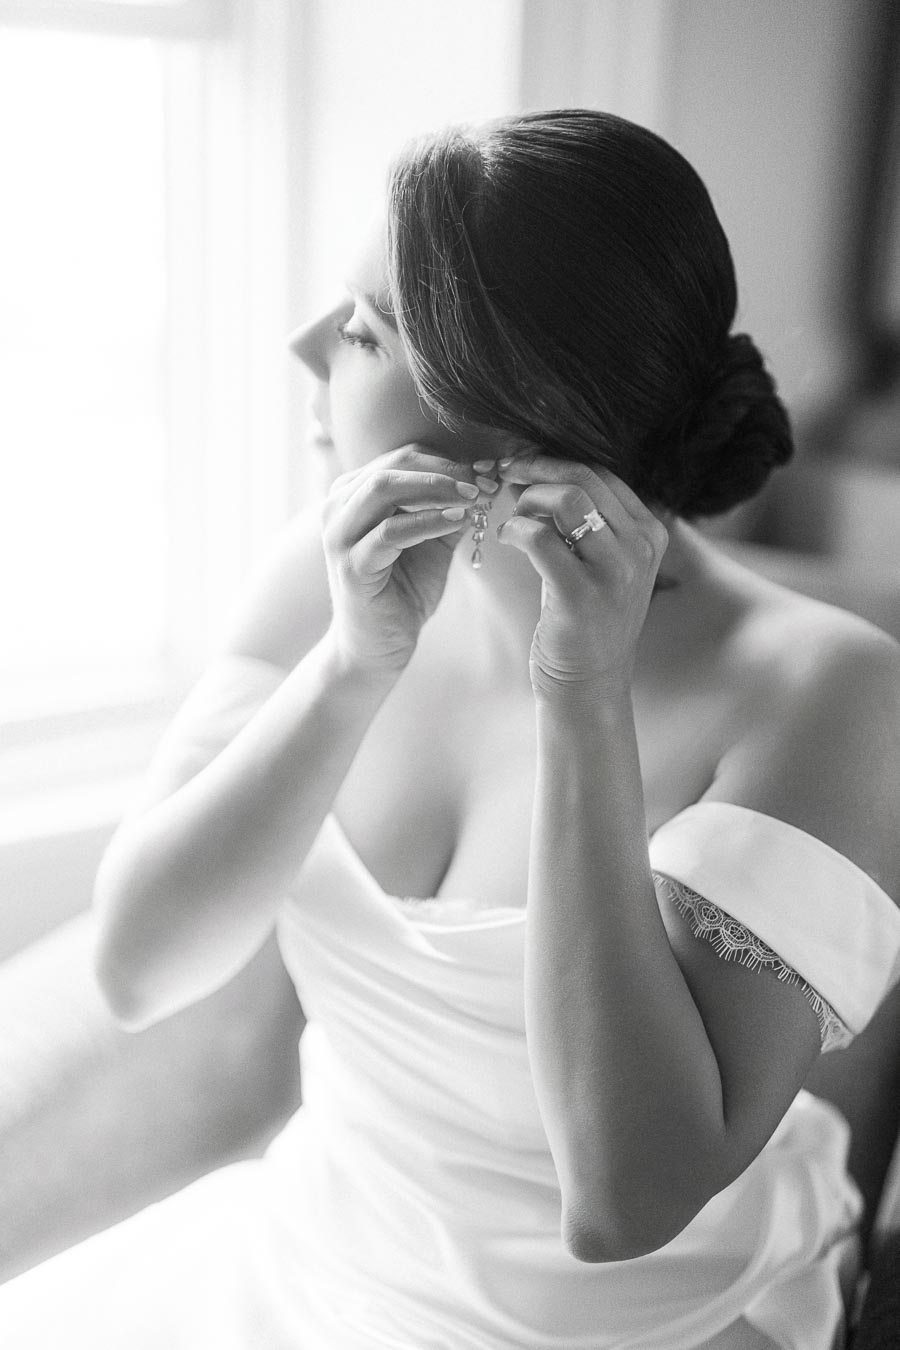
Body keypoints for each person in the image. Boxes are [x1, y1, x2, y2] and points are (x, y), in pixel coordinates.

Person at [2, 108, 899, 1350]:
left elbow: (625, 1201)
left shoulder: (822, 690)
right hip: (307, 1267)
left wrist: (582, 699)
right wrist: (351, 668)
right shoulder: (321, 574)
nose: (308, 344)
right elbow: (140, 968)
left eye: (365, 329)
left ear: (520, 417)